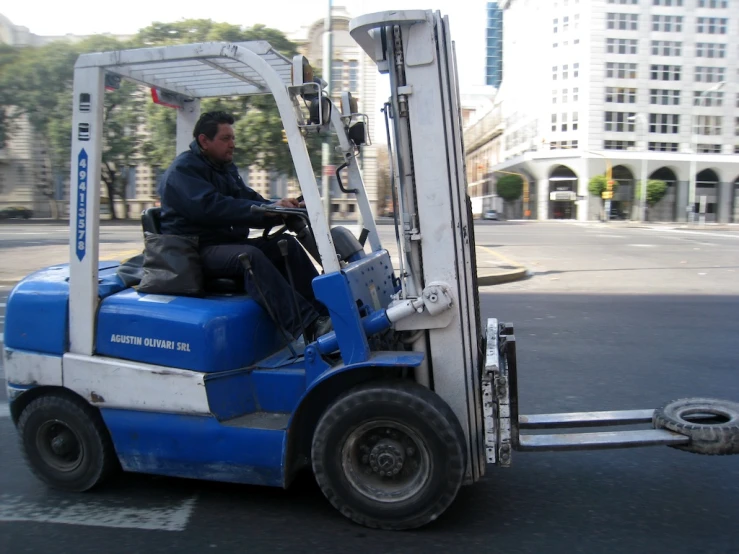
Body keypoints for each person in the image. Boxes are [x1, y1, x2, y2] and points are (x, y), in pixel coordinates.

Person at [157, 111, 332, 342]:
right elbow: (214, 208)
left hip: (224, 244)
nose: (232, 144)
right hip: (195, 250)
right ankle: (309, 326)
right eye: (226, 138)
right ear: (204, 141)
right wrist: (263, 210)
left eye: (233, 138)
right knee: (248, 256)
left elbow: (247, 198)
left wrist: (278, 208)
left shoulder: (223, 168)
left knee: (286, 244)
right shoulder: (183, 171)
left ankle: (326, 312)